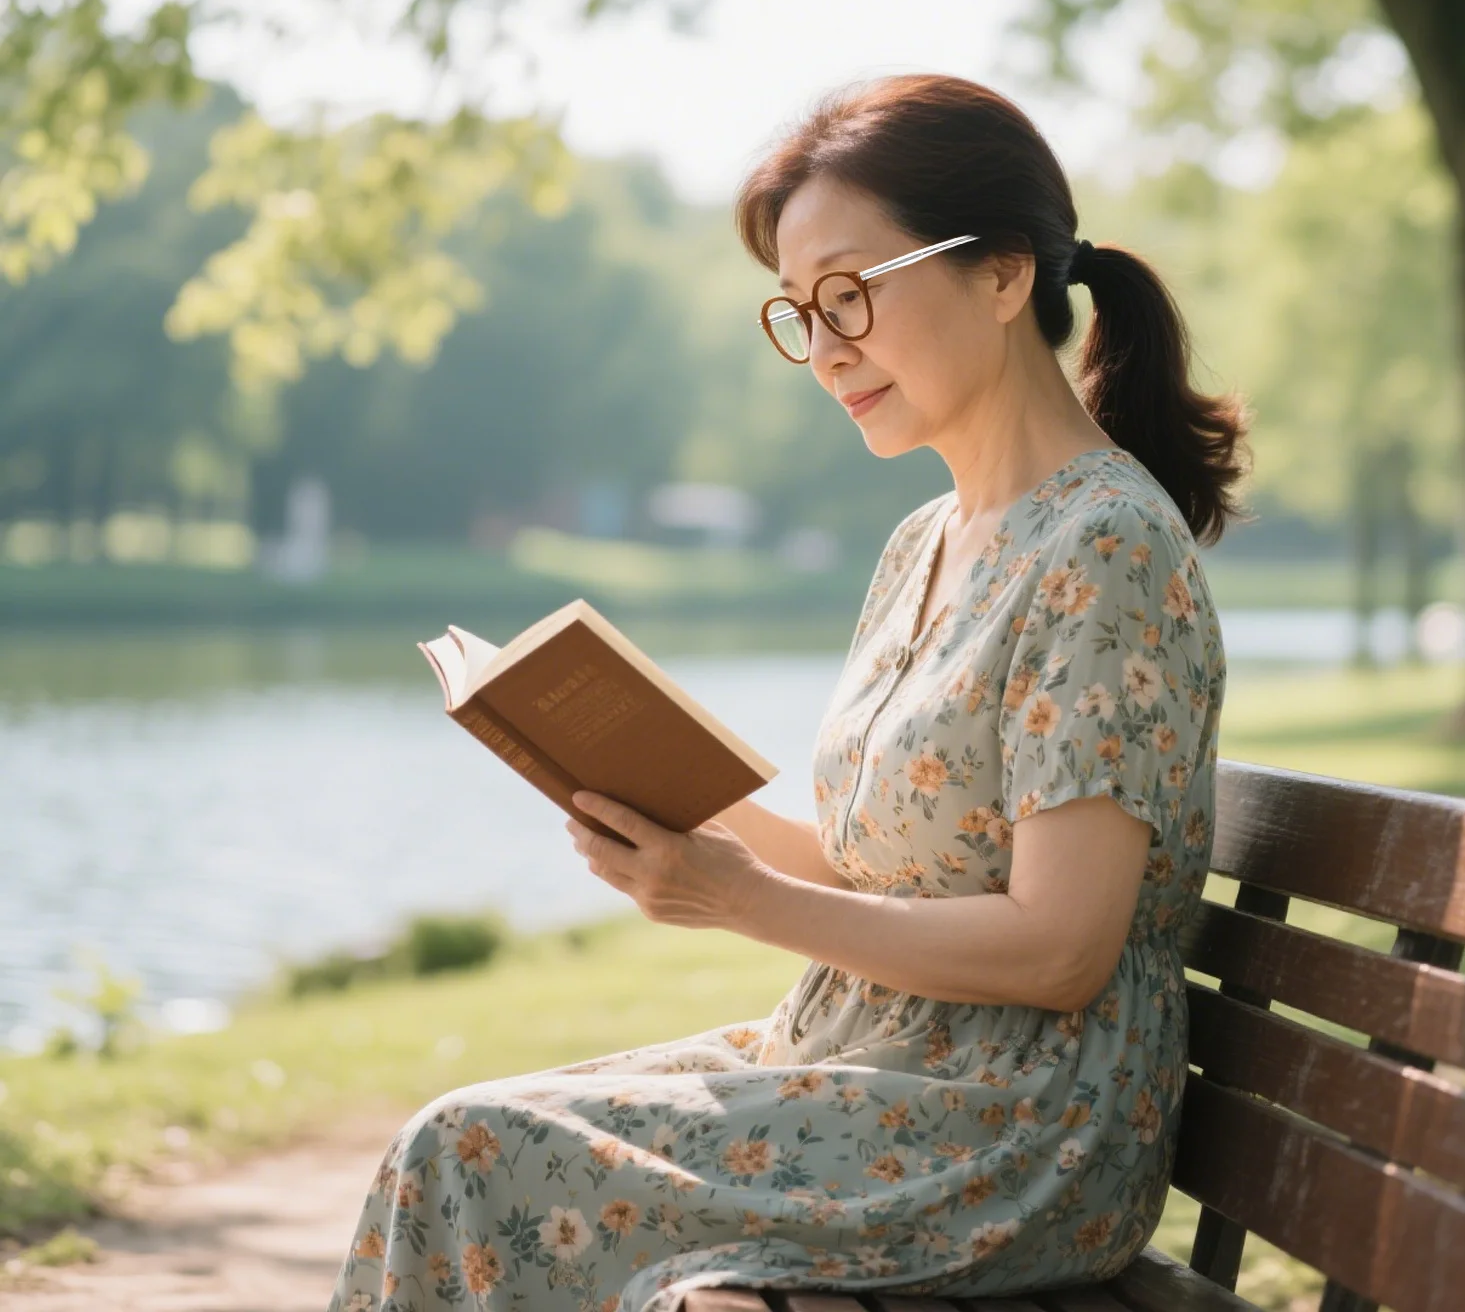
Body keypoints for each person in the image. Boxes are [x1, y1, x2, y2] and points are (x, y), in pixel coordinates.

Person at [327, 71, 1248, 1312]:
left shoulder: (1105, 548)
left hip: (1010, 1132)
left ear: (1001, 273)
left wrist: (740, 899)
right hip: (868, 1069)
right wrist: (664, 813)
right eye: (798, 313)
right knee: (456, 1139)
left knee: (472, 1155)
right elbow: (898, 864)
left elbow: (1059, 947)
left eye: (849, 295)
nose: (821, 352)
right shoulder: (929, 539)